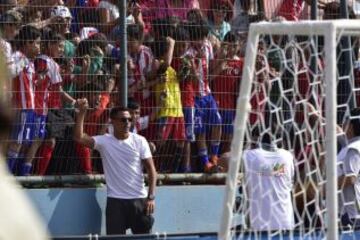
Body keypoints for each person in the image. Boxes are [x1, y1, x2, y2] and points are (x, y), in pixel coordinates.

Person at [74, 100, 157, 235]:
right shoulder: (104, 141)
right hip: (115, 202)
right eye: (123, 120)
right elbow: (79, 137)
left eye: (129, 119)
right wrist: (82, 114)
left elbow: (152, 171)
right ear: (113, 121)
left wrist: (151, 197)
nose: (127, 123)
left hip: (139, 200)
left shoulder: (140, 141)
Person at [0, 51, 49, 239]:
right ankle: (13, 178)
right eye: (34, 41)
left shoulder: (29, 62)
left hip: (30, 107)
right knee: (17, 142)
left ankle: (22, 176)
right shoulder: (19, 57)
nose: (37, 45)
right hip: (22, 106)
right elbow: (11, 72)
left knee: (31, 141)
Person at [243, 132, 295, 231]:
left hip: (258, 225)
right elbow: (291, 181)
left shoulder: (248, 155)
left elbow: (226, 158)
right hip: (285, 223)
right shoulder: (287, 156)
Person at [337, 107, 360, 229]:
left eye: (346, 120)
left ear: (351, 126)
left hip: (352, 217)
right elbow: (337, 131)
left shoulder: (353, 149)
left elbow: (350, 178)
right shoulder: (352, 145)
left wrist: (325, 189)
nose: (343, 123)